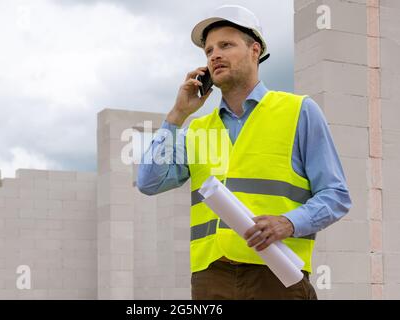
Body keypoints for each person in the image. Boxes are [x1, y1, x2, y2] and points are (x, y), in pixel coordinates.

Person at [137, 4, 351, 300]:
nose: (215, 55)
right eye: (209, 50)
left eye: (226, 45)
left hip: (276, 272)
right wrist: (176, 115)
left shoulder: (298, 111)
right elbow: (148, 182)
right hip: (210, 279)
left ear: (255, 49)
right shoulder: (197, 130)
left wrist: (290, 223)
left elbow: (336, 195)